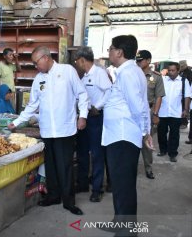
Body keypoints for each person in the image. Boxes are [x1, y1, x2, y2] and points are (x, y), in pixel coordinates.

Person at [8, 46, 89, 216]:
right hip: (47, 131)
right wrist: (17, 122)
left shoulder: (67, 71)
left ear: (46, 57)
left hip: (65, 130)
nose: (36, 66)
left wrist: (83, 116)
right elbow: (32, 105)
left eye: (36, 62)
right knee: (51, 166)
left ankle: (69, 202)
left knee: (65, 167)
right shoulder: (38, 79)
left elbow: (82, 94)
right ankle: (53, 196)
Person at [101, 35, 153, 236]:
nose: (109, 52)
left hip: (123, 137)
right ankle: (119, 222)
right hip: (118, 136)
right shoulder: (128, 72)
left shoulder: (129, 73)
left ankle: (128, 232)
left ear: (119, 52)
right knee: (120, 183)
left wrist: (144, 132)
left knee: (124, 186)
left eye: (111, 49)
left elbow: (137, 107)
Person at [74, 46, 112, 202]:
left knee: (97, 154)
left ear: (83, 60)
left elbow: (110, 91)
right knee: (82, 152)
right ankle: (83, 183)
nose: (77, 64)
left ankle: (97, 189)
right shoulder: (83, 77)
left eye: (77, 61)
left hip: (96, 118)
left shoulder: (99, 73)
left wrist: (99, 106)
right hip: (84, 117)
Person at [136, 50, 166, 179]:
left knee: (146, 142)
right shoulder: (134, 74)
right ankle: (131, 168)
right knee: (132, 140)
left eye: (141, 60)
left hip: (148, 112)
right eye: (137, 60)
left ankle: (148, 168)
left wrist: (155, 114)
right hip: (134, 112)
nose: (138, 62)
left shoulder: (156, 77)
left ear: (148, 61)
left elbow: (159, 96)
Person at [157, 62, 191, 162]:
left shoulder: (184, 81)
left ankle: (172, 153)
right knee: (161, 133)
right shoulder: (163, 80)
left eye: (173, 70)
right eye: (169, 70)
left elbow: (187, 97)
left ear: (178, 70)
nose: (171, 73)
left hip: (176, 113)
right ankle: (163, 150)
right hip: (163, 112)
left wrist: (186, 110)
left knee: (174, 134)